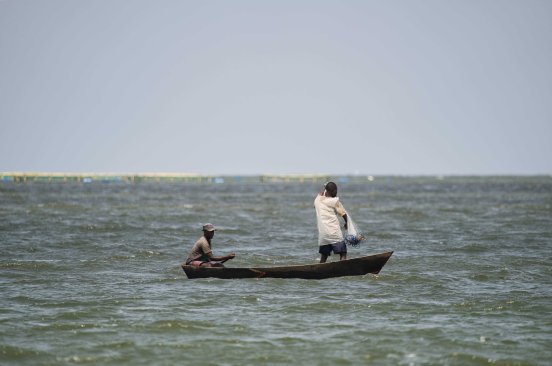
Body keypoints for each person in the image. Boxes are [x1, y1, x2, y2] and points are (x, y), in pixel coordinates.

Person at [314, 182, 349, 263]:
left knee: (324, 255)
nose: (336, 192)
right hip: (334, 233)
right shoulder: (334, 201)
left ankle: (320, 271)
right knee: (343, 252)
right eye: (336, 191)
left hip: (323, 235)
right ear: (333, 191)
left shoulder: (317, 200)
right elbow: (343, 214)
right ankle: (342, 268)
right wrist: (347, 223)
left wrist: (325, 189)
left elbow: (320, 194)